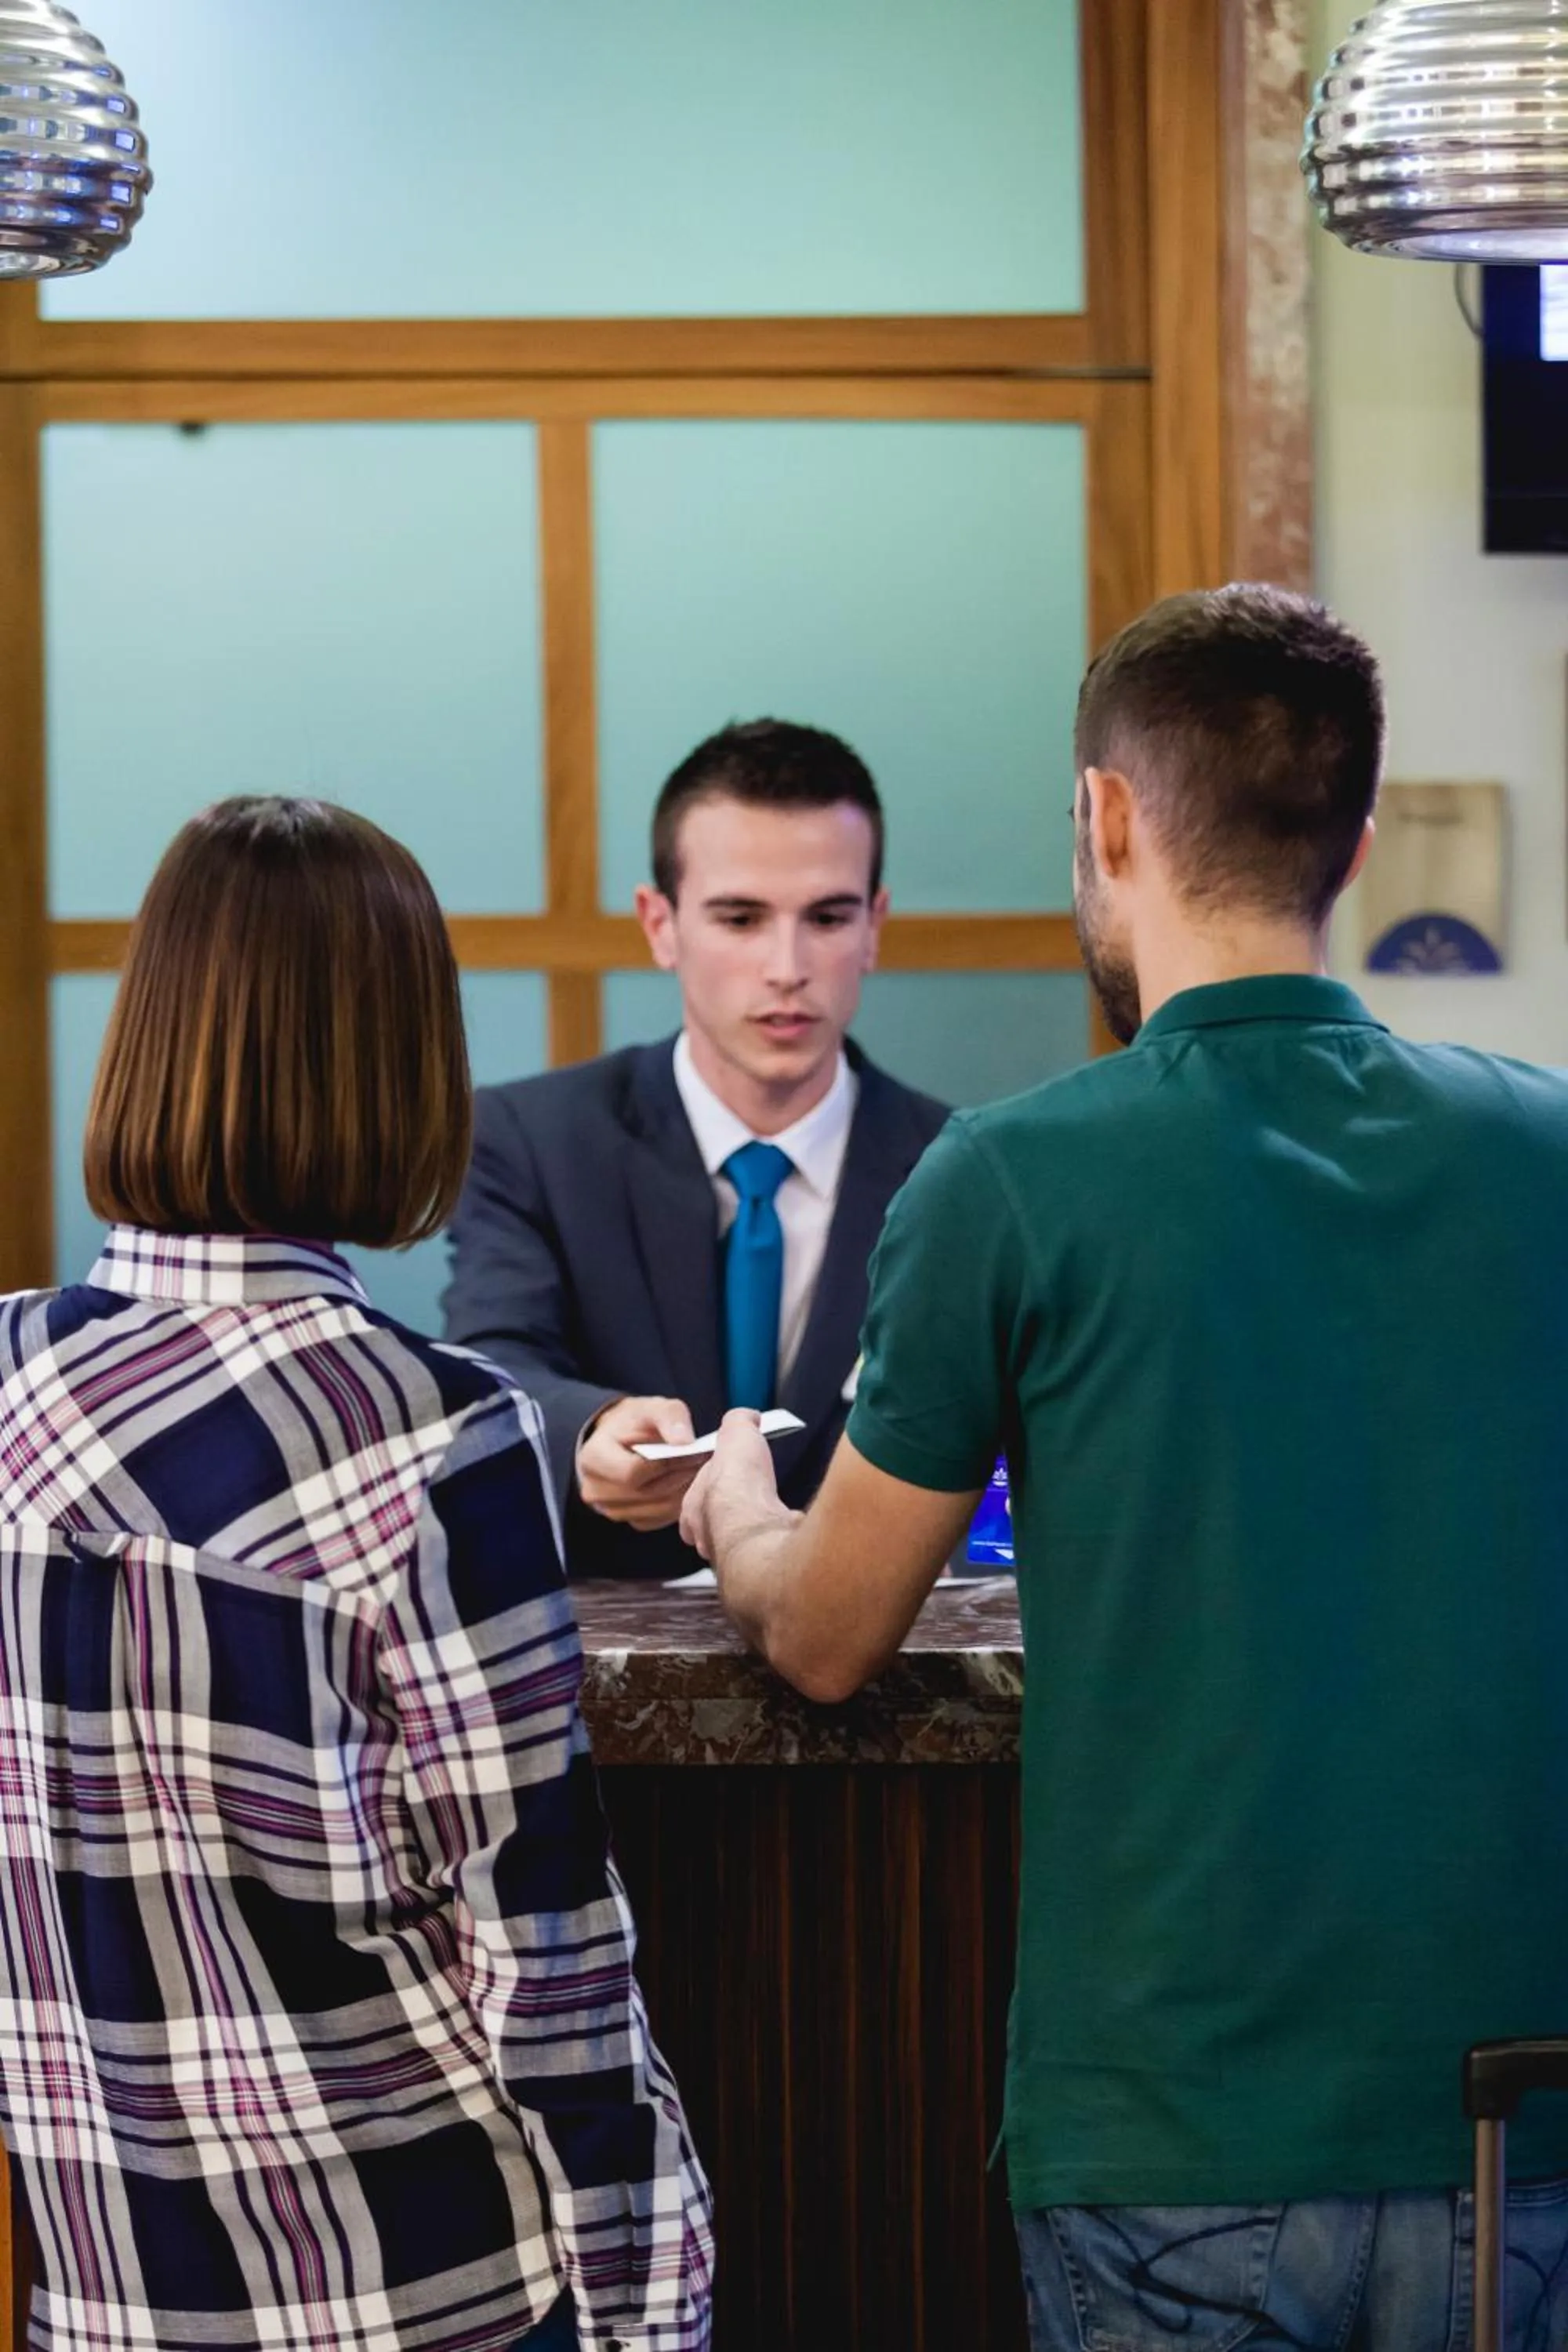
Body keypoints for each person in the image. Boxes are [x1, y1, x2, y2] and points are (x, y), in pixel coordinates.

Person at [679, 586, 1568, 2352]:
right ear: (1355, 840)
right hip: (1516, 2126)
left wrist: (734, 1507)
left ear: (1105, 818)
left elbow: (837, 1636)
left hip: (1177, 2127)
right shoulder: (1546, 1149)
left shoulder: (1011, 1178)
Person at [0, 798, 713, 2352]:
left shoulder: (5, 1384)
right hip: (427, 2292)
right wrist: (653, 2305)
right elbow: (548, 1976)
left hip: (100, 2295)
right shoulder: (437, 1439)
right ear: (400, 1071)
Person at [442, 720, 948, 1581]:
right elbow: (488, 1370)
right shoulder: (529, 1140)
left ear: (873, 926)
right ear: (660, 924)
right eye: (740, 918)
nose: (785, 966)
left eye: (826, 917)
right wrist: (591, 1432)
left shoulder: (957, 1169)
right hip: (602, 1675)